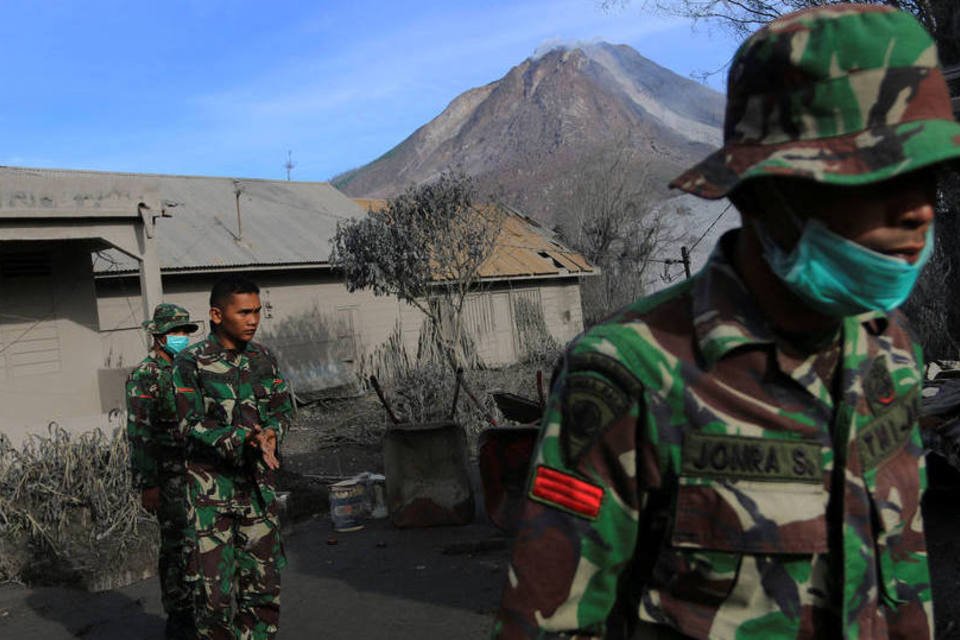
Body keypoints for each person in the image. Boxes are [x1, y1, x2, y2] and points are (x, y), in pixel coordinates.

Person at [494, 4, 960, 639]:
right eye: (876, 176)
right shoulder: (631, 376)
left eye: (928, 178)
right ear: (768, 193)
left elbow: (904, 579)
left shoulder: (893, 351)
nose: (918, 212)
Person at [173, 274, 292, 640]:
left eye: (257, 311)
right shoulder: (191, 362)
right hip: (213, 495)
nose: (253, 320)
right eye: (243, 312)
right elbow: (188, 423)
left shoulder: (264, 358)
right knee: (214, 597)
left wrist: (273, 432)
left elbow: (282, 409)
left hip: (258, 491)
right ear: (216, 314)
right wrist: (241, 438)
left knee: (263, 588)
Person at [126, 303, 199, 640]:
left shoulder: (188, 369)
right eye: (175, 332)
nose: (182, 337)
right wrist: (147, 484)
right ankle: (179, 617)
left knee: (199, 543)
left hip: (197, 472)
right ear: (158, 336)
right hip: (168, 476)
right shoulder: (145, 376)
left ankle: (201, 612)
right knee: (176, 546)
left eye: (185, 332)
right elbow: (139, 432)